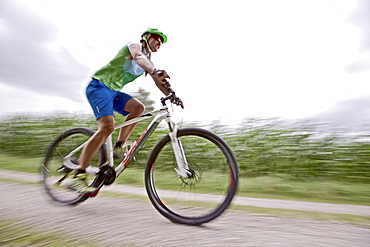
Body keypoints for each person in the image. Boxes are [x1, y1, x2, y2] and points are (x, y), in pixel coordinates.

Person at [68, 28, 181, 192]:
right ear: (146, 38)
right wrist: (154, 71)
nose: (159, 43)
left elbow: (158, 81)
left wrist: (172, 95)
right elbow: (138, 57)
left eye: (161, 42)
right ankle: (79, 175)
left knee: (138, 108)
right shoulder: (134, 46)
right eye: (156, 39)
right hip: (99, 87)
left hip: (113, 92)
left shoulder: (149, 62)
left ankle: (118, 146)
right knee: (107, 127)